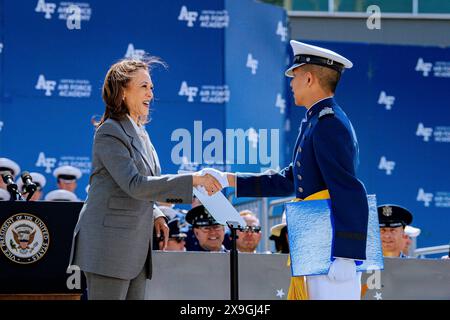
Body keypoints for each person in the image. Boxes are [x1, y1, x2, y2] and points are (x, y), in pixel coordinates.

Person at [204, 41, 369, 300]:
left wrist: (347, 254)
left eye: (294, 76)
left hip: (330, 245)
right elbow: (289, 179)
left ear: (310, 78)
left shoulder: (329, 123)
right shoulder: (316, 120)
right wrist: (228, 179)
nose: (291, 83)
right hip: (317, 239)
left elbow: (348, 189)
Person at [68, 58, 221, 300]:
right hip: (109, 247)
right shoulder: (110, 131)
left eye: (151, 87)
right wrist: (194, 179)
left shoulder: (141, 132)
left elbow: (146, 185)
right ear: (122, 92)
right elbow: (134, 184)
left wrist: (155, 213)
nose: (151, 93)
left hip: (135, 248)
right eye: (143, 86)